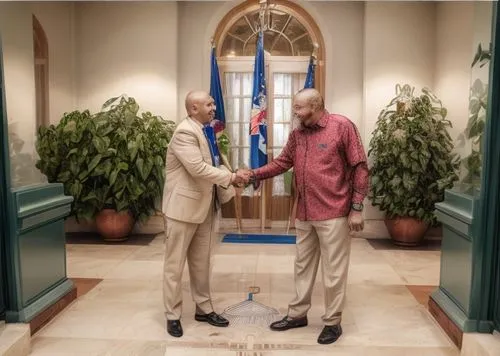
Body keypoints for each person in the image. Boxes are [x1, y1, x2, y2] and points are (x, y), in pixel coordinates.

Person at [243, 88, 369, 344]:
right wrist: (253, 174)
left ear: (315, 105)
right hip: (304, 212)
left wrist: (356, 208)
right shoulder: (298, 134)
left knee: (333, 272)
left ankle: (332, 322)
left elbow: (360, 167)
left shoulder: (342, 126)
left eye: (299, 108)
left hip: (334, 211)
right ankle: (298, 314)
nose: (295, 112)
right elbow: (281, 163)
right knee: (302, 267)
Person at [162, 90, 251, 338]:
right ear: (193, 109)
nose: (214, 108)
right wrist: (232, 177)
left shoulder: (207, 130)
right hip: (182, 210)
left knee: (202, 264)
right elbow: (198, 168)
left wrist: (237, 174)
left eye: (213, 103)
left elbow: (214, 162)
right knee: (174, 266)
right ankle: (172, 315)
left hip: (205, 207)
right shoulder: (184, 132)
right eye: (208, 104)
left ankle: (204, 308)